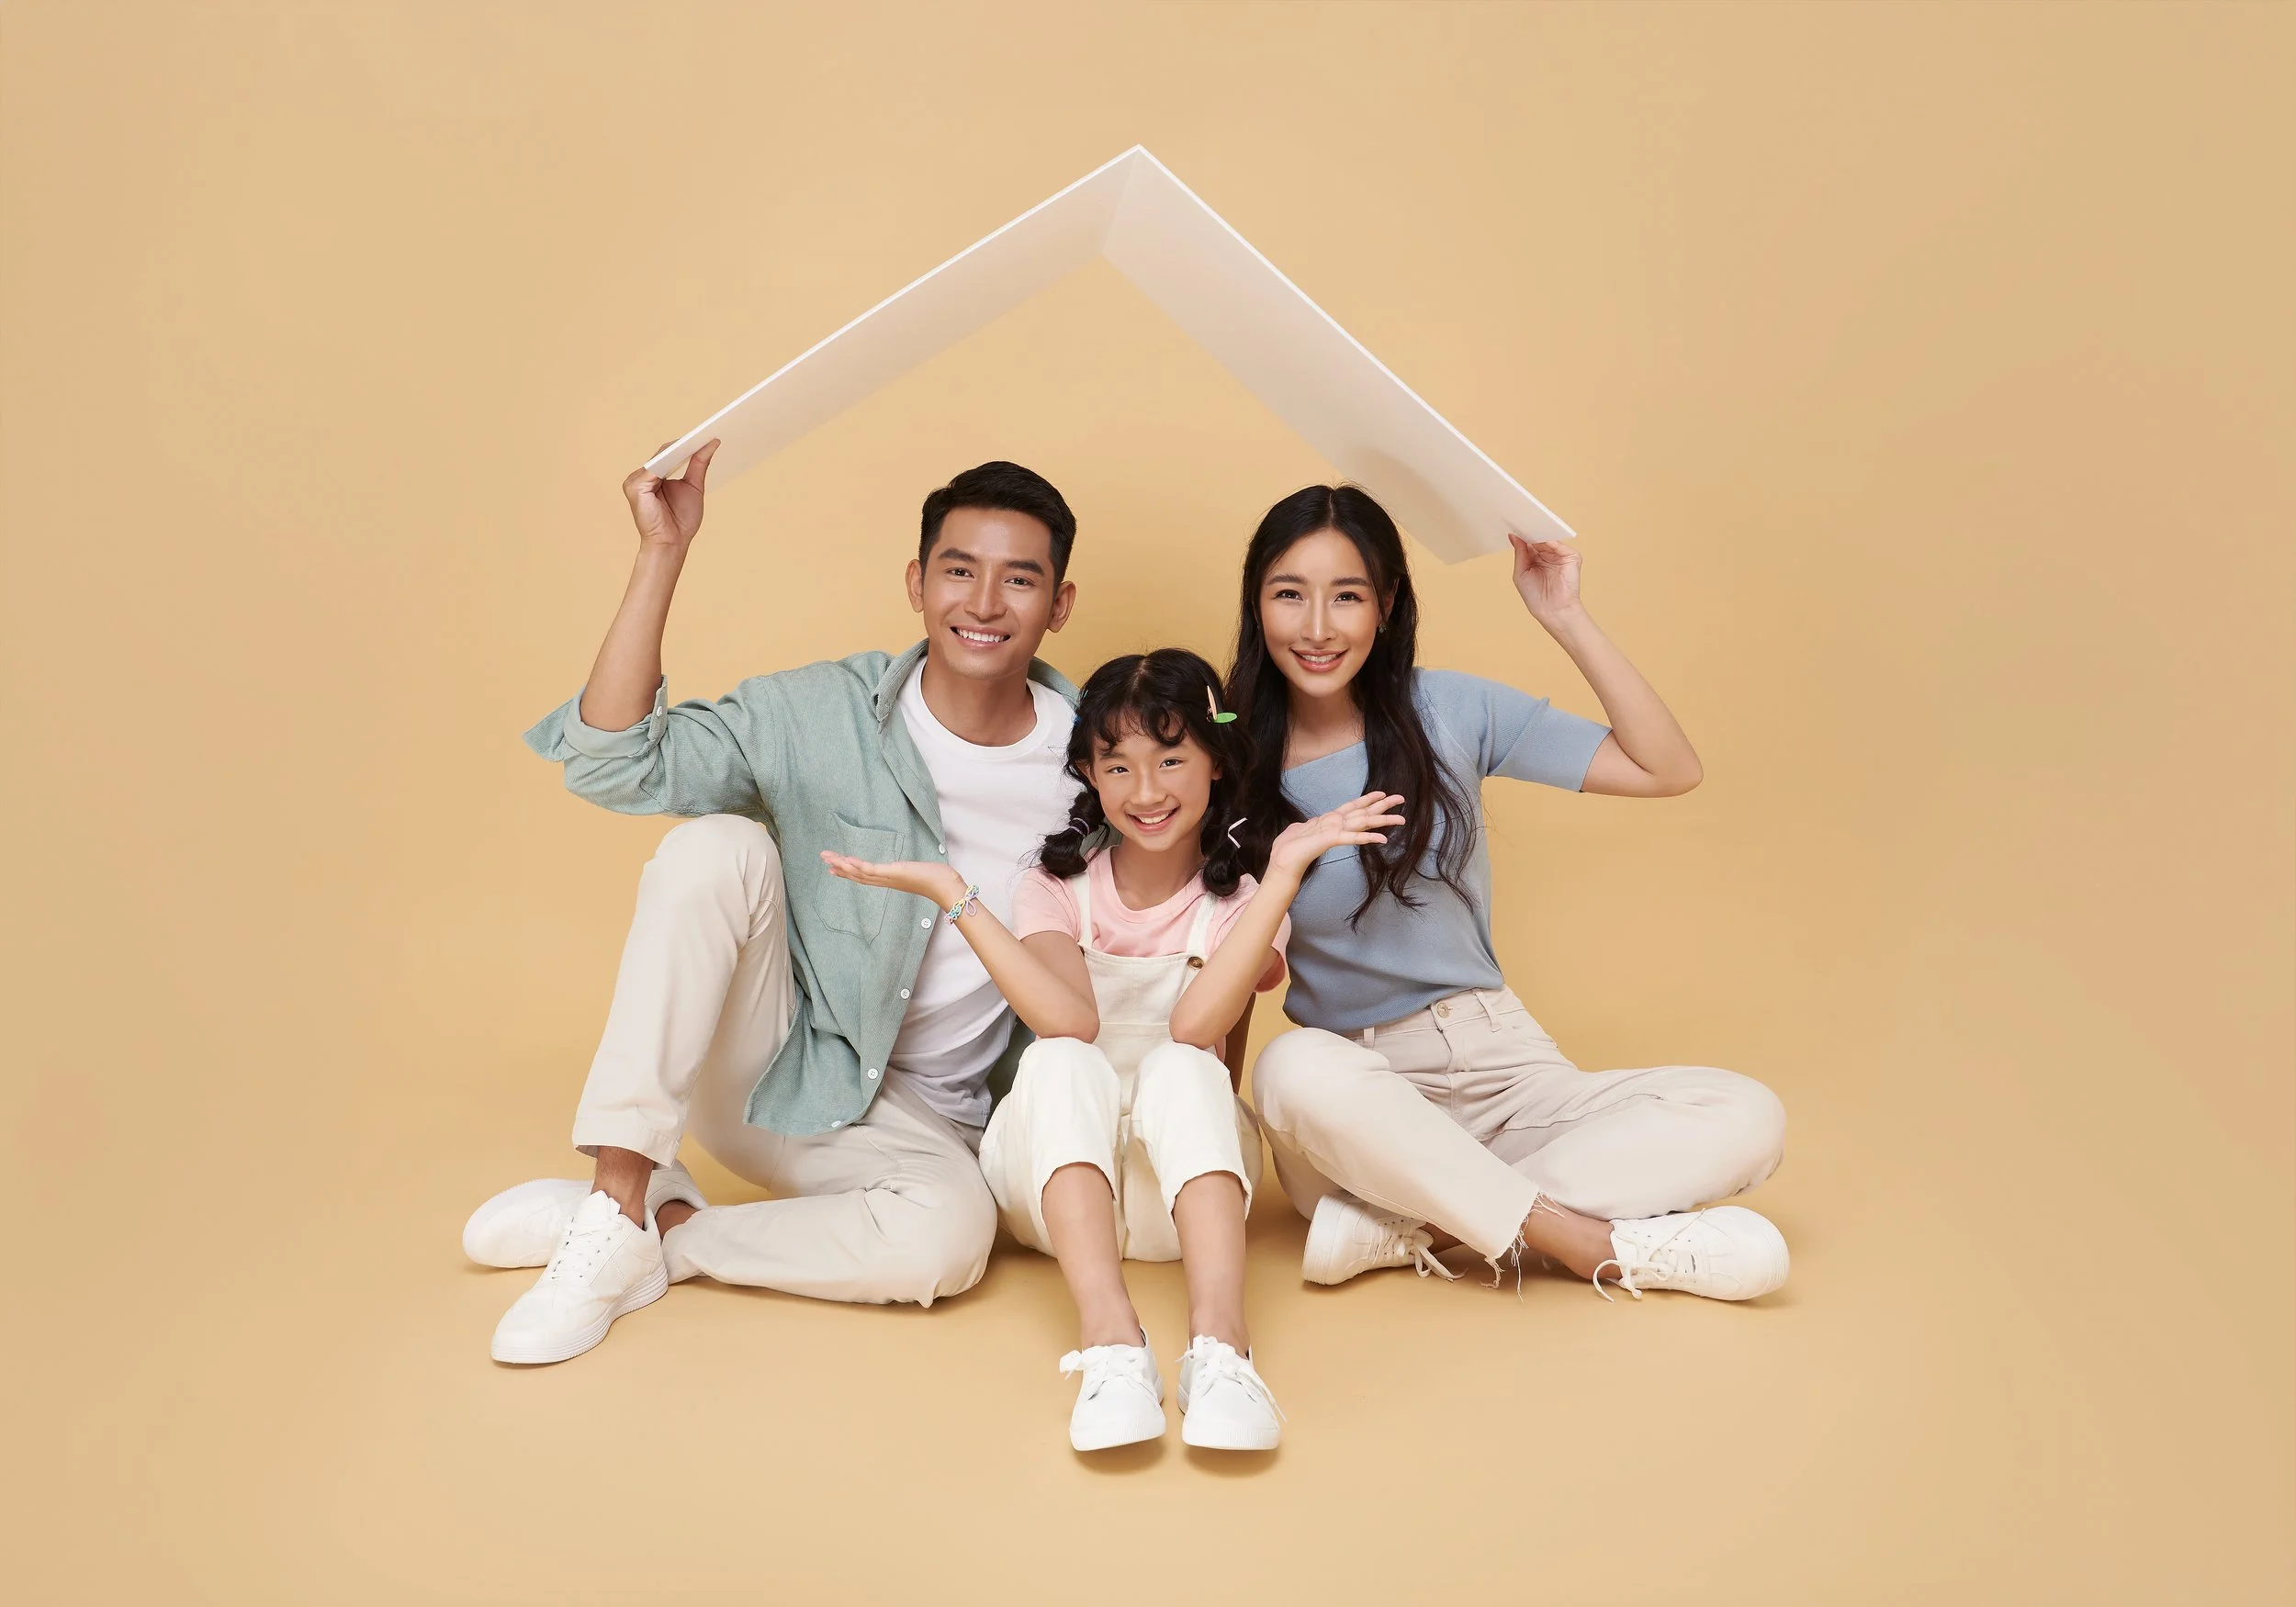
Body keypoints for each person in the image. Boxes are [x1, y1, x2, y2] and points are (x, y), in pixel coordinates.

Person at [462, 444, 1086, 1364]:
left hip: (923, 1130)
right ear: (918, 583)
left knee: (952, 1242)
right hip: (777, 1074)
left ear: (1059, 604)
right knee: (716, 847)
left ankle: (662, 1231)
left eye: (1019, 580)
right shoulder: (815, 714)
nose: (985, 605)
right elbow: (613, 760)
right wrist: (661, 554)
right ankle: (614, 1198)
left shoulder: (1103, 766)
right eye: (959, 571)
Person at [1228, 485, 1792, 1301]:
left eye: (1346, 596)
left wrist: (1562, 613)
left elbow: (1667, 768)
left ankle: (1426, 1225)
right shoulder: (1221, 757)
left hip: (1504, 1066)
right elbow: (1219, 965)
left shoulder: (1448, 708)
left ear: (1386, 605)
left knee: (1746, 1113)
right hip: (1355, 1097)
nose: (1317, 628)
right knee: (1291, 1067)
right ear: (1257, 604)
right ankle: (1590, 1245)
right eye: (1290, 595)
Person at [825, 649, 1394, 1451]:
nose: (1147, 791)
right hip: (1053, 1195)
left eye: (1171, 759)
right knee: (1058, 1058)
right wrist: (955, 895)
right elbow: (1068, 1020)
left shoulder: (1247, 900)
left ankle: (1223, 1354)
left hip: (1181, 1197)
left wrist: (1284, 877)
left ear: (1217, 763)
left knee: (1181, 1062)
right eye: (1117, 766)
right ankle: (1112, 1350)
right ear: (1089, 774)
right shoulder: (1054, 886)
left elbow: (1199, 1030)